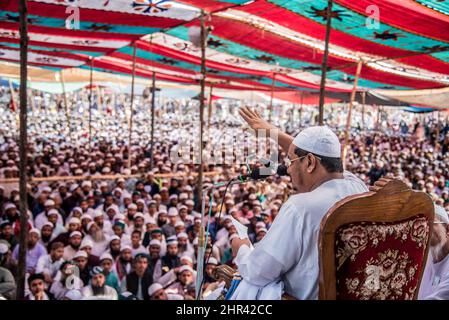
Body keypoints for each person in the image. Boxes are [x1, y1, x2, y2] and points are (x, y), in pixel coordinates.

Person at [230, 108, 369, 300]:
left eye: (291, 161)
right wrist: (273, 132)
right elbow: (324, 158)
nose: (288, 168)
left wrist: (242, 249)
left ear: (310, 162)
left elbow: (258, 272)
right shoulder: (358, 187)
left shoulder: (300, 207)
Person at [418, 205, 449, 299]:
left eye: (429, 223)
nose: (422, 229)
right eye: (418, 224)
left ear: (447, 229)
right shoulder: (419, 260)